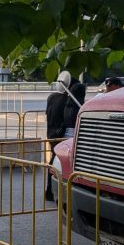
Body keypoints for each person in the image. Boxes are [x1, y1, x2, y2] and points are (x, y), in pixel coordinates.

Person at [44, 71, 72, 202]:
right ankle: (52, 190)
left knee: (52, 161)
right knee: (56, 163)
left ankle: (49, 190)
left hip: (51, 133)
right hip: (60, 134)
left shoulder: (51, 97)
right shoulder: (67, 99)